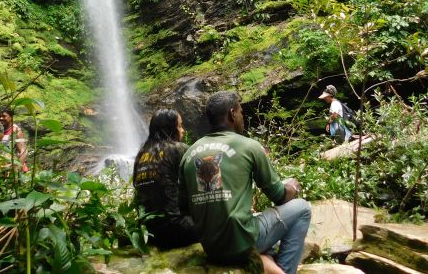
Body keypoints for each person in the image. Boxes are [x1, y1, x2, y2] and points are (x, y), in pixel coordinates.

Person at [179, 92, 311, 274]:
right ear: (232, 114)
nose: (243, 117)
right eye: (241, 112)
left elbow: (184, 209)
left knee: (256, 219)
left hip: (211, 248)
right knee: (302, 208)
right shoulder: (249, 146)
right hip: (241, 244)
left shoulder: (189, 154)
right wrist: (293, 187)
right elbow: (279, 196)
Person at [133, 109, 198, 249]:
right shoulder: (179, 149)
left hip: (148, 232)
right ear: (170, 128)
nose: (183, 130)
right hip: (178, 229)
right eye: (179, 126)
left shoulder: (140, 155)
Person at [0, 108, 29, 173]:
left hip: (14, 169)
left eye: (4, 116)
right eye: (0, 116)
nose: (1, 118)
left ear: (11, 117)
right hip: (3, 168)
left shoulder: (16, 131)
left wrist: (17, 168)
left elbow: (23, 151)